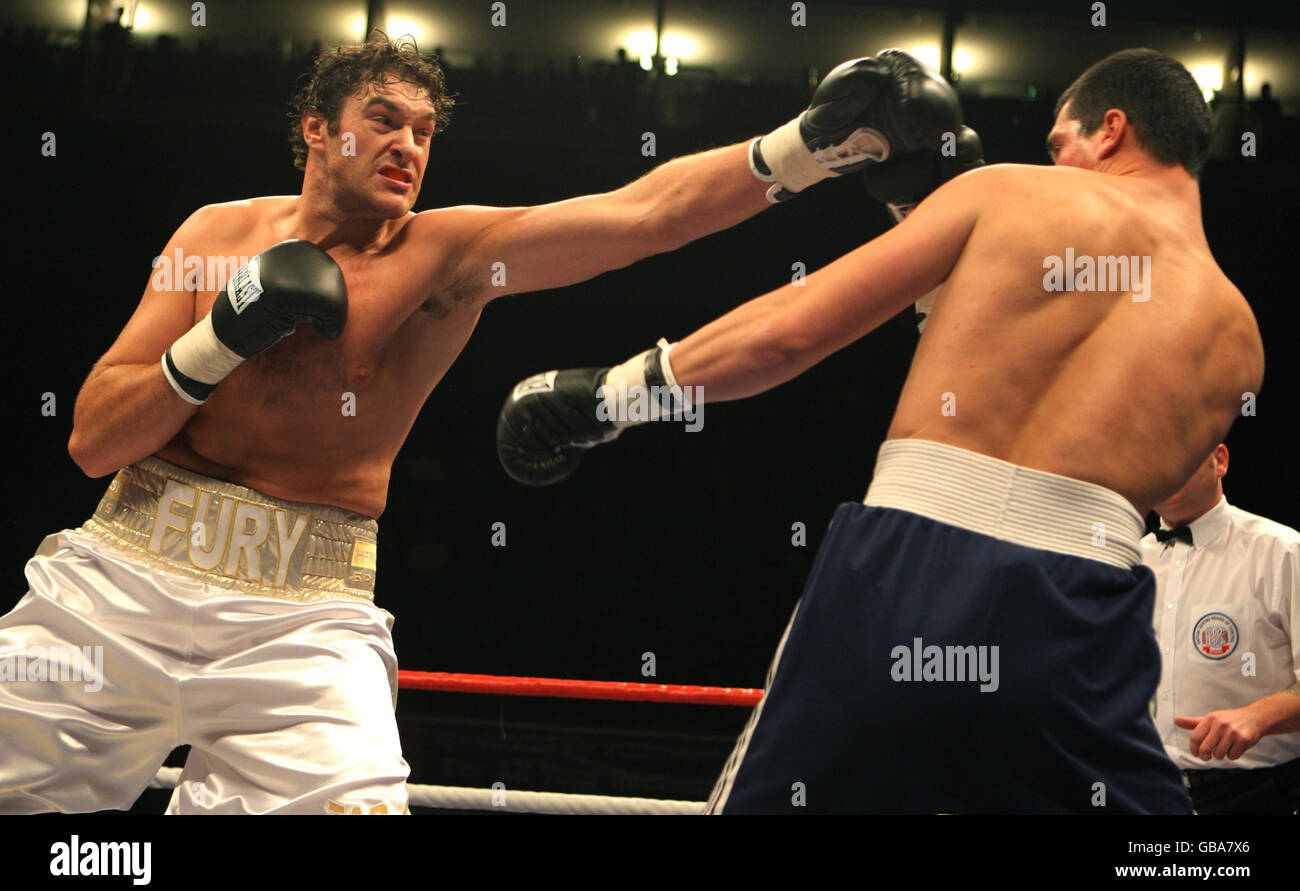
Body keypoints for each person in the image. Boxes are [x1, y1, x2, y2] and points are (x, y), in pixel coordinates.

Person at [0, 34, 957, 814]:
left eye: (423, 130)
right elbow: (93, 438)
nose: (408, 145)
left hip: (301, 622)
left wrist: (809, 145)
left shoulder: (448, 260)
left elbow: (642, 216)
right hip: (118, 581)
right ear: (313, 130)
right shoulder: (212, 236)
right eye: (383, 120)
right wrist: (216, 341)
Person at [495, 48, 1265, 813]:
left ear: (1111, 130)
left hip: (905, 574)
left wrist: (608, 397)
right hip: (1084, 619)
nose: (1052, 159)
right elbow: (1095, 458)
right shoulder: (1239, 338)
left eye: (1060, 142)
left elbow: (790, 333)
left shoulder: (1013, 194)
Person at [1143, 443, 1300, 814]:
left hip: (1259, 796)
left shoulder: (1283, 553)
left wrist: (1258, 716)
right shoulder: (1130, 562)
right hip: (1148, 794)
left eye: (1180, 451)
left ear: (1221, 460)